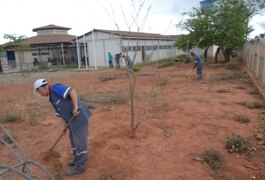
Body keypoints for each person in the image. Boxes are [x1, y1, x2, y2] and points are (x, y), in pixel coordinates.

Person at [33, 79, 92, 176]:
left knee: (79, 141)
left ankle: (80, 166)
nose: (40, 94)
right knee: (73, 140)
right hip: (71, 122)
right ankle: (77, 159)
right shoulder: (51, 98)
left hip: (78, 117)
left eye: (39, 91)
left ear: (43, 87)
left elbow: (71, 91)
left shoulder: (55, 88)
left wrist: (76, 106)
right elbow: (60, 114)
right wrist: (64, 127)